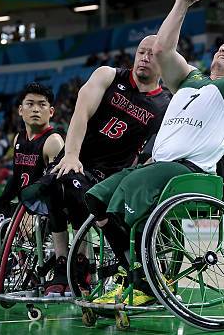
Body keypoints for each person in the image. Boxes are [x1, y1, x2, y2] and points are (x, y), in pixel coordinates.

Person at [83, 0, 224, 306]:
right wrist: (181, 2)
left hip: (192, 174)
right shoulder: (189, 78)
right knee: (95, 199)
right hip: (158, 170)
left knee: (131, 195)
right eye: (222, 46)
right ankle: (138, 274)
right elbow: (161, 49)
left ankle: (145, 280)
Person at [42, 35, 172, 295]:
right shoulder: (108, 76)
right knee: (55, 183)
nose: (144, 58)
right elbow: (82, 110)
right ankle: (64, 261)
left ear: (166, 63)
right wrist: (71, 154)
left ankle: (87, 264)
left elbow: (155, 151)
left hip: (112, 176)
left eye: (152, 55)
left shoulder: (166, 104)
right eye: (141, 52)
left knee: (83, 193)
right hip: (78, 158)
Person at [0, 83, 64, 279]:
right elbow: (17, 177)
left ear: (51, 112)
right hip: (24, 204)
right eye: (30, 104)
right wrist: (2, 201)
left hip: (45, 210)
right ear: (20, 110)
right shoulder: (19, 138)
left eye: (42, 105)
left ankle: (10, 262)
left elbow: (54, 185)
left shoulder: (53, 141)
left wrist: (32, 210)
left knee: (9, 212)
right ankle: (9, 259)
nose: (35, 109)